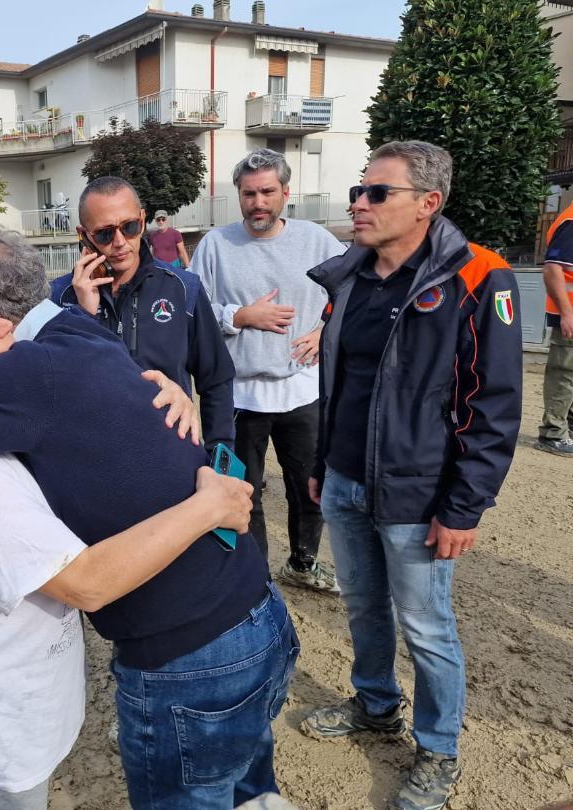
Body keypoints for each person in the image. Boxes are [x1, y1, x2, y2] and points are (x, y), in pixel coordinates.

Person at [0, 229, 299, 810]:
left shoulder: (14, 378)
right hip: (256, 614)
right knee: (249, 790)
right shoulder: (79, 331)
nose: (1, 327)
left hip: (190, 657)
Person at [301, 141, 522, 810]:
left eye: (376, 193)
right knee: (364, 607)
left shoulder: (481, 276)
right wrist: (319, 466)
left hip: (418, 492)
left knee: (427, 626)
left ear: (428, 203)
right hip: (344, 480)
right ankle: (375, 706)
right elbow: (334, 382)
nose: (357, 203)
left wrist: (464, 506)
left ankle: (438, 750)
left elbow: (495, 404)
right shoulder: (350, 276)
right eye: (358, 190)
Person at [190, 148, 345, 593]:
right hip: (239, 396)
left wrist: (324, 331)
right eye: (248, 193)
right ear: (238, 197)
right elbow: (195, 311)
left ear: (285, 193)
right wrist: (240, 317)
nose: (258, 202)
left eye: (267, 192)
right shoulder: (216, 246)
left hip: (302, 389)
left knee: (309, 486)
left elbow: (354, 291)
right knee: (245, 491)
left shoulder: (317, 241)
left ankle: (303, 562)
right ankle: (254, 577)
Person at [50, 177, 235, 452]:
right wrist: (82, 316)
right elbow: (54, 388)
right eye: (104, 233)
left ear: (142, 218)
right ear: (83, 234)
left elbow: (216, 380)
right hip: (91, 459)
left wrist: (220, 461)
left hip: (171, 458)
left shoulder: (184, 288)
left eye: (129, 227)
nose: (120, 242)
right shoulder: (58, 297)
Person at [537, 200, 573, 456]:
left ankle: (566, 428)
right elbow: (552, 268)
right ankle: (553, 433)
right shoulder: (571, 223)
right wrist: (566, 313)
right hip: (571, 313)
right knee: (565, 373)